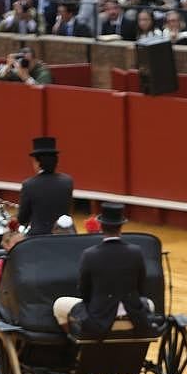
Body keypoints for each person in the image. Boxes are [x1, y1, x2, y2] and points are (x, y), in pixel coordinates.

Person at [53, 204, 155, 339]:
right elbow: (141, 288)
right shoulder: (136, 252)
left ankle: (75, 343)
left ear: (101, 226)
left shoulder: (90, 254)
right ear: (121, 227)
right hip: (133, 320)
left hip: (100, 322)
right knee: (150, 304)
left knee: (59, 304)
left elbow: (84, 291)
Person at [18, 136, 74, 236]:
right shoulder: (67, 181)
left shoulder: (29, 185)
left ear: (38, 163)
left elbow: (22, 219)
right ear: (56, 161)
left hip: (38, 237)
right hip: (66, 234)